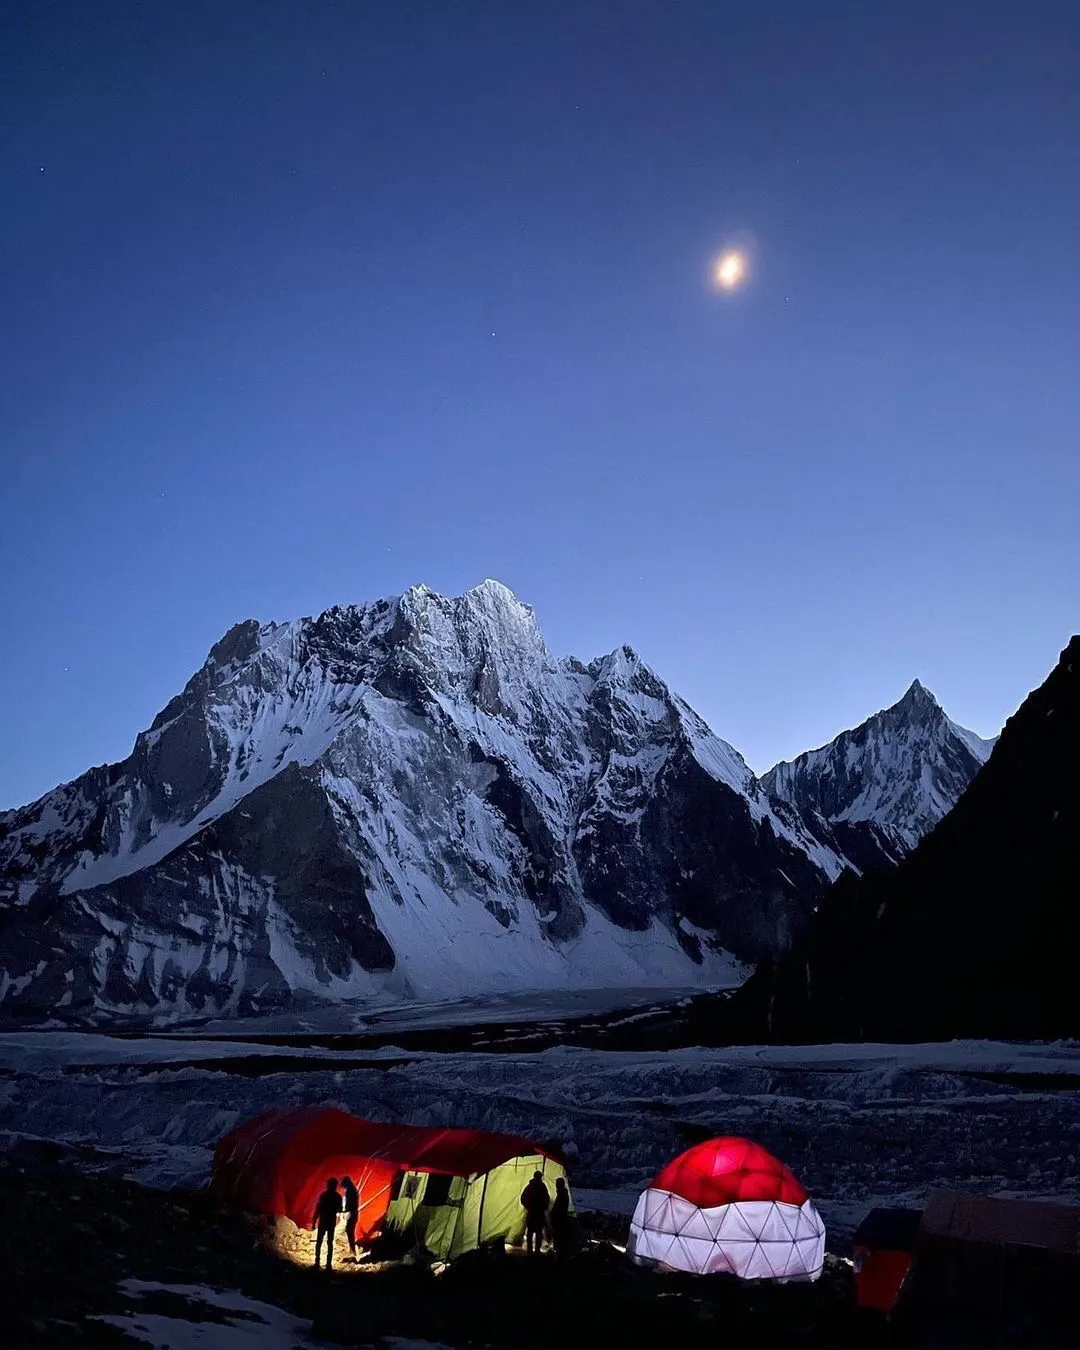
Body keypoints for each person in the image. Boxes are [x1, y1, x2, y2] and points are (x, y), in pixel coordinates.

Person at [313, 1177, 343, 1271]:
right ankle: (328, 1264)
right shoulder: (338, 1197)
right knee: (329, 1242)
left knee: (319, 1242)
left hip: (323, 1221)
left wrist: (314, 1221)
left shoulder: (324, 1195)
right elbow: (340, 1209)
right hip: (330, 1222)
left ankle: (317, 1262)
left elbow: (318, 1208)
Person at [520, 1170, 551, 1255]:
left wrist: (529, 1206)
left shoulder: (531, 1187)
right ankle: (535, 1250)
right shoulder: (540, 1187)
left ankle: (531, 1250)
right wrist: (542, 1207)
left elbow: (523, 1198)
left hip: (533, 1213)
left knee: (533, 1232)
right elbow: (546, 1199)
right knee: (536, 1232)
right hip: (536, 1213)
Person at [549, 1176, 572, 1260]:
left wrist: (553, 1214)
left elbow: (559, 1208)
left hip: (559, 1219)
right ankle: (559, 1254)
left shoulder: (562, 1194)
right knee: (559, 1236)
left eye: (557, 1184)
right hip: (560, 1218)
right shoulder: (563, 1193)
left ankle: (558, 1255)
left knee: (558, 1236)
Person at [341, 1175, 360, 1257]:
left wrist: (344, 1210)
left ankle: (353, 1251)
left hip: (351, 1215)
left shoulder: (350, 1192)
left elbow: (349, 1205)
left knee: (350, 1232)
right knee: (350, 1232)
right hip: (354, 1215)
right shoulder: (354, 1191)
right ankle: (352, 1250)